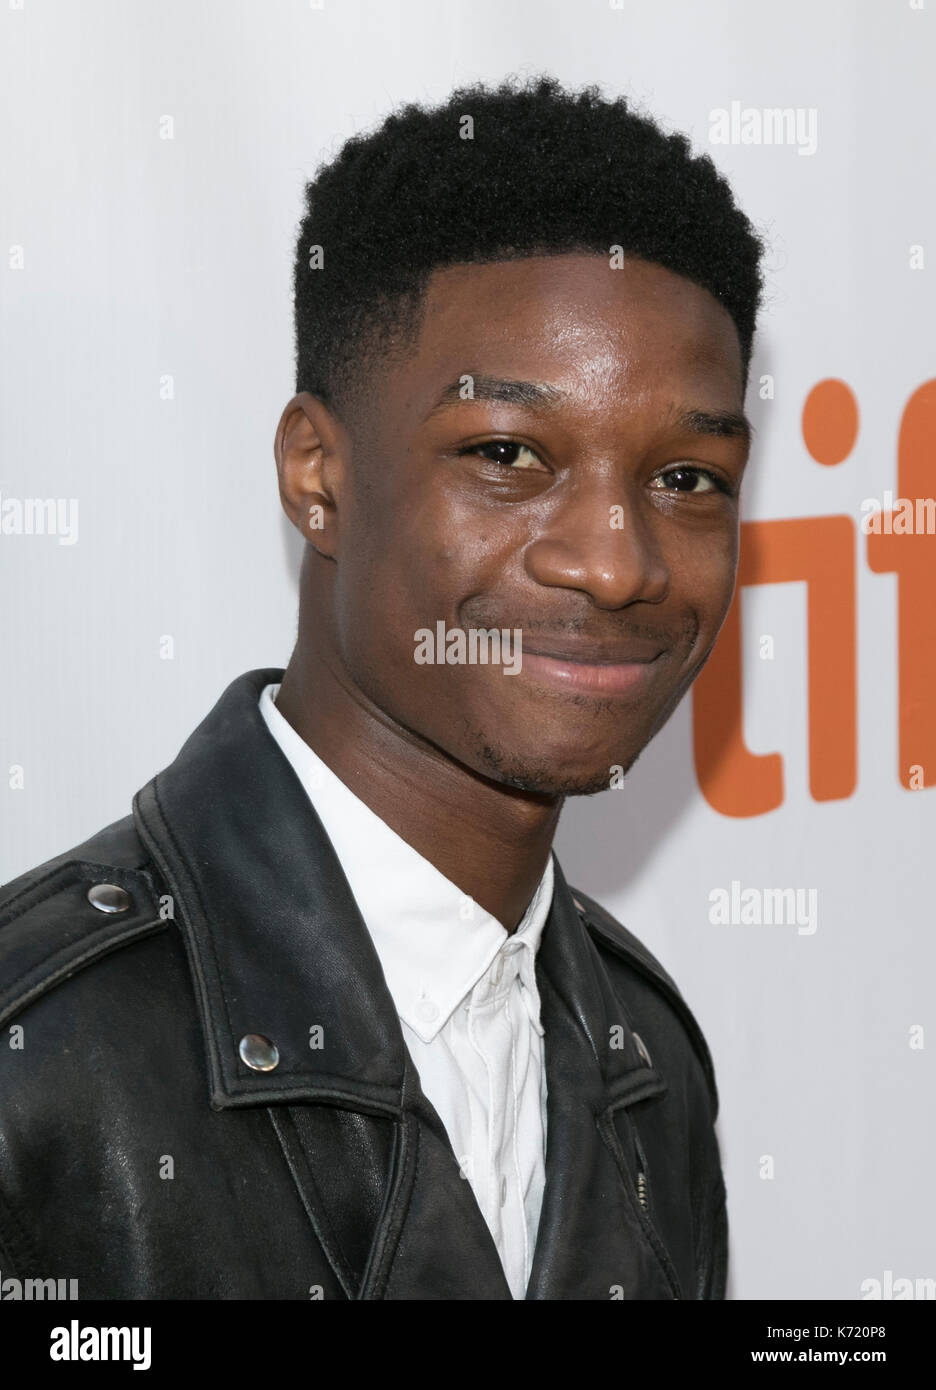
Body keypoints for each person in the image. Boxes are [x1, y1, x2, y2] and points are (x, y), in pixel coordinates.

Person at [0, 75, 763, 1300]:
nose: (618, 563)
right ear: (319, 476)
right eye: (508, 454)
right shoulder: (38, 1060)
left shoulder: (649, 1062)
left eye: (687, 478)